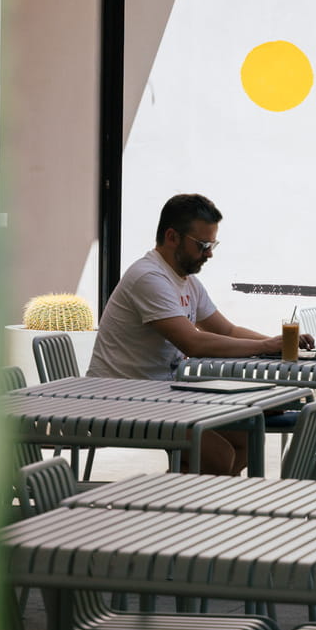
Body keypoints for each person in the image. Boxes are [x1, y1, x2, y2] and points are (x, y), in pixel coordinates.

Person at [87, 193, 282, 475]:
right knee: (215, 455)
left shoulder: (187, 281)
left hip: (160, 396)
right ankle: (176, 507)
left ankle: (184, 501)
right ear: (172, 237)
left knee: (246, 438)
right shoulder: (149, 277)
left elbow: (226, 330)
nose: (209, 253)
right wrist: (265, 344)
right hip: (117, 400)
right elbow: (193, 342)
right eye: (203, 244)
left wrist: (279, 345)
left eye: (212, 244)